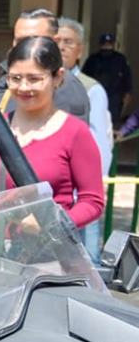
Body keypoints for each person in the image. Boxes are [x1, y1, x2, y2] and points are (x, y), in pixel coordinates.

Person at [0, 36, 103, 230]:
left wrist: (53, 224)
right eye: (15, 78)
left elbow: (92, 201)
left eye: (34, 79)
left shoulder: (75, 133)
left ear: (58, 77)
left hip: (48, 254)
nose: (23, 87)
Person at [0, 9, 90, 150]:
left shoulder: (64, 86)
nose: (24, 47)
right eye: (19, 40)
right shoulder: (8, 77)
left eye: (32, 40)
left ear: (55, 42)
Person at [58, 18, 112, 262]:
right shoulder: (39, 86)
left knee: (87, 261)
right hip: (53, 192)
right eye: (56, 41)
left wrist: (96, 185)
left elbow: (100, 143)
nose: (61, 47)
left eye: (68, 42)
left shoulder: (92, 89)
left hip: (82, 194)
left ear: (80, 50)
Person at [84, 32, 132, 126]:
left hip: (114, 98)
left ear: (113, 44)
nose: (107, 46)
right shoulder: (93, 59)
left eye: (109, 44)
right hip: (95, 96)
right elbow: (84, 78)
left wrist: (127, 95)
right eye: (105, 44)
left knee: (112, 124)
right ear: (100, 44)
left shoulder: (120, 59)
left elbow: (127, 79)